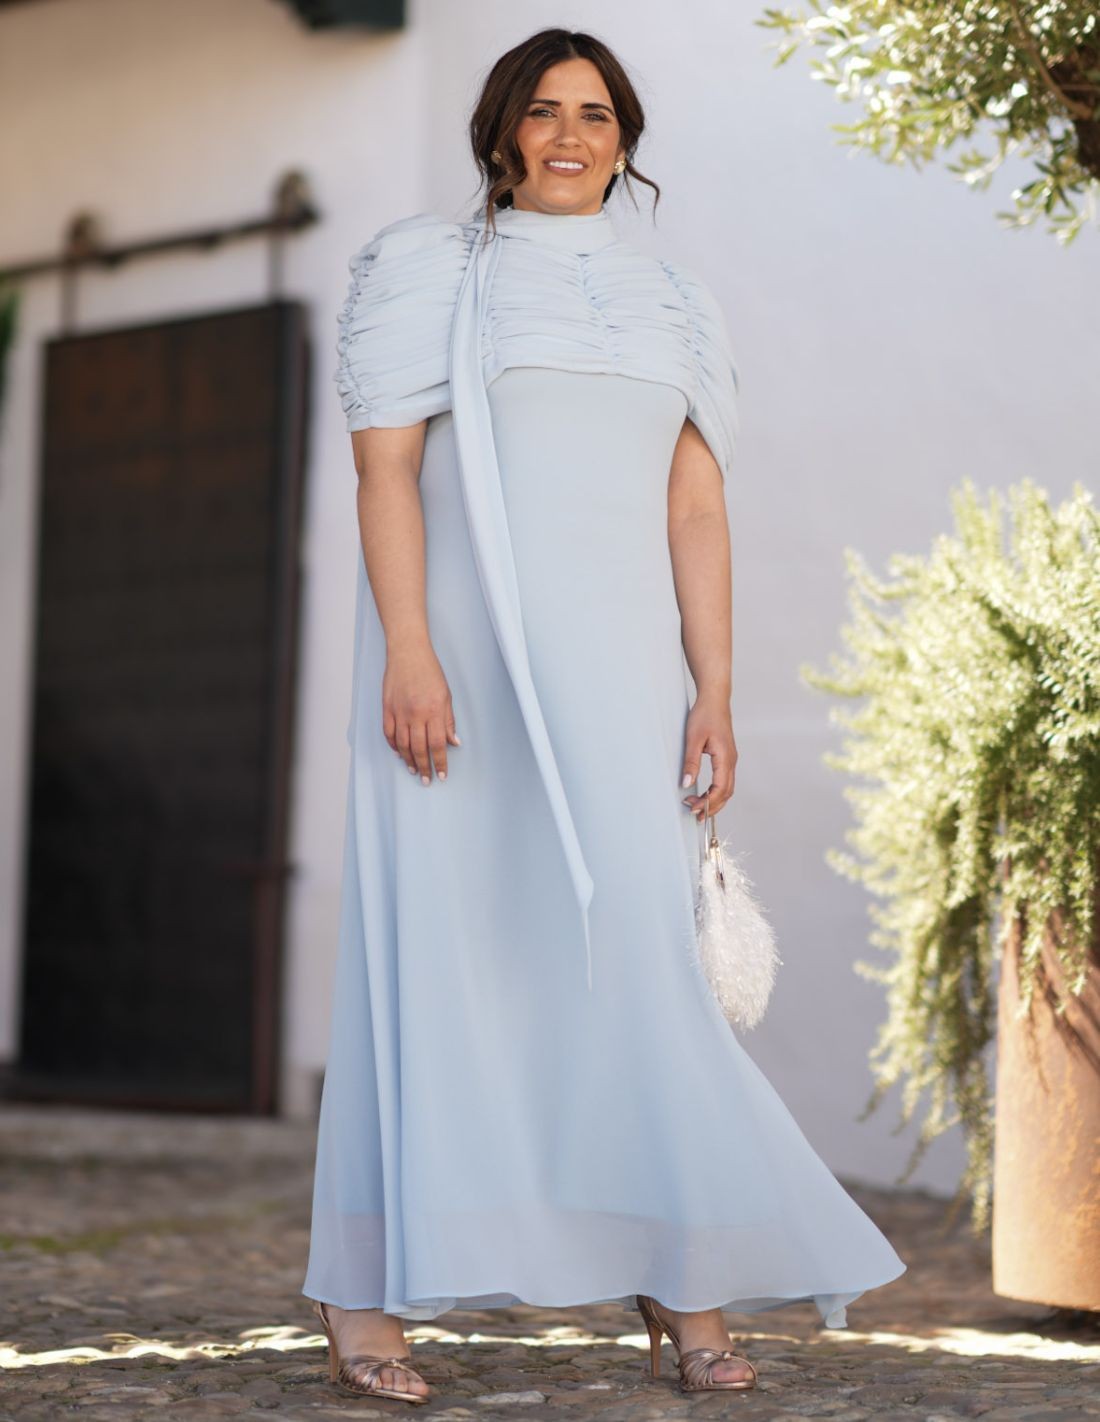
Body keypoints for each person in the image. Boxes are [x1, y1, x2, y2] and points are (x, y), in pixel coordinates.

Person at [302, 25, 906, 1407]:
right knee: (439, 957)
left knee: (641, 961)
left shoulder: (677, 300)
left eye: (595, 112)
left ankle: (678, 1282)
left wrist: (715, 690)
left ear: (625, 137)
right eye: (543, 110)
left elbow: (695, 506)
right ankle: (363, 1294)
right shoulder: (425, 266)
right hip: (456, 680)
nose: (570, 135)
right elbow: (386, 474)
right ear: (500, 132)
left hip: (626, 680)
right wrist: (410, 654)